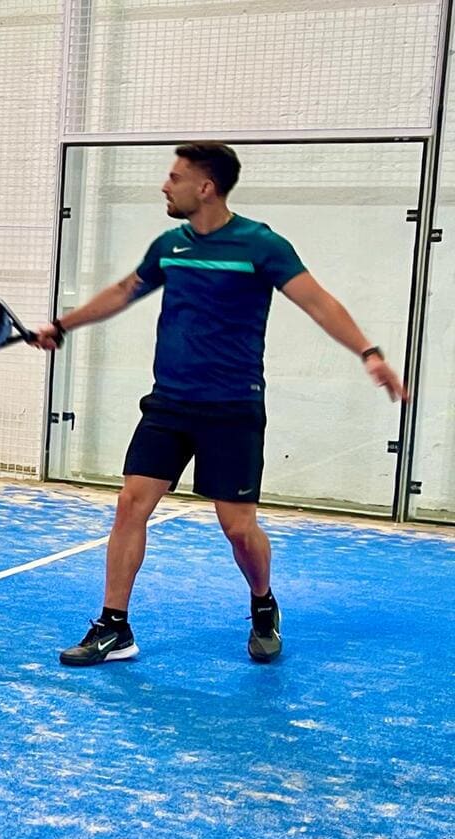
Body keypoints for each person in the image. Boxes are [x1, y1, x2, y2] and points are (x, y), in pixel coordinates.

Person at [32, 142, 407, 667]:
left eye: (174, 177)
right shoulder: (170, 245)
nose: (165, 185)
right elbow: (124, 291)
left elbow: (319, 301)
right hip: (169, 404)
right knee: (130, 504)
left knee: (236, 527)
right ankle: (114, 626)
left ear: (205, 187)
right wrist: (61, 326)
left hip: (232, 408)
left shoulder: (260, 245)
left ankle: (262, 605)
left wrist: (369, 353)